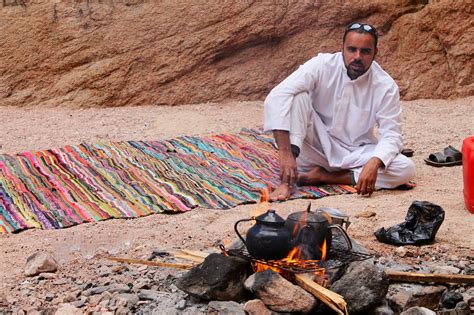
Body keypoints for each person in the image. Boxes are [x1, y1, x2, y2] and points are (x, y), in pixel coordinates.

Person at [264, 22, 415, 201]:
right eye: (352, 49)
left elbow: (392, 135)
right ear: (342, 48)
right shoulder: (322, 64)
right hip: (311, 150)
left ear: (375, 53)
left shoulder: (385, 86)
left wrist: (374, 163)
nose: (357, 57)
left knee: (405, 168)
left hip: (353, 153)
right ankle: (287, 182)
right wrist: (286, 154)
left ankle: (324, 177)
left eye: (365, 51)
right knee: (298, 96)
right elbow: (277, 96)